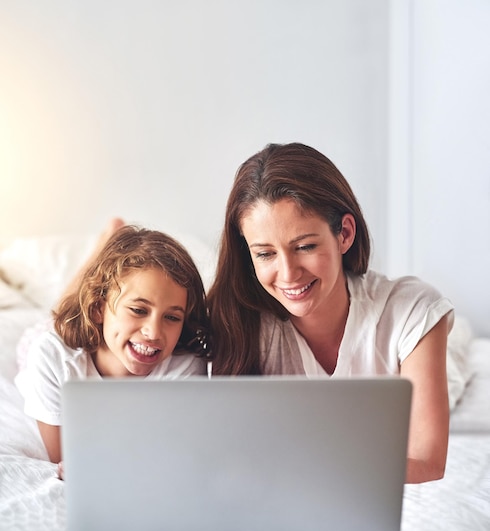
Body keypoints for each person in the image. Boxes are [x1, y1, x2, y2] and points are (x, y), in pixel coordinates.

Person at [207, 142, 454, 484]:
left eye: (305, 247)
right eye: (265, 254)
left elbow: (426, 461)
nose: (289, 273)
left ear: (344, 234)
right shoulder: (236, 322)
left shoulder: (411, 311)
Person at [15, 224, 209, 469]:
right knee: (59, 314)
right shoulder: (51, 357)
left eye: (172, 317)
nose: (153, 332)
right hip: (51, 339)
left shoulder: (185, 366)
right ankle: (107, 239)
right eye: (138, 310)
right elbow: (64, 461)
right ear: (98, 309)